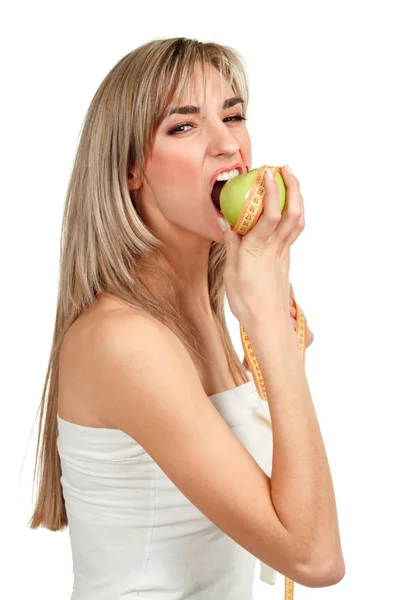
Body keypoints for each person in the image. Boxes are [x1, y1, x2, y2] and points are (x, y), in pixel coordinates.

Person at [28, 37, 345, 599]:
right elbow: (315, 556)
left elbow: (290, 524)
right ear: (130, 169)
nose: (229, 145)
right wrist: (272, 329)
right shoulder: (123, 341)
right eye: (185, 126)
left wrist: (271, 329)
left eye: (234, 115)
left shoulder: (212, 320)